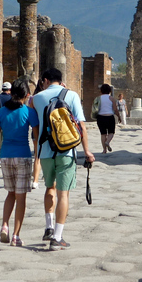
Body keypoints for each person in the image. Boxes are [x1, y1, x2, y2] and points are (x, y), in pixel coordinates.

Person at [32, 68, 95, 250]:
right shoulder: (72, 95)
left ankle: (49, 227)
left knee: (49, 187)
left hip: (44, 151)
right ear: (61, 80)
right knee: (63, 193)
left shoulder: (36, 99)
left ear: (45, 80)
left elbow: (34, 124)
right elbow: (81, 126)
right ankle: (57, 237)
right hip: (66, 151)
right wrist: (87, 151)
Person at [0, 78, 39, 247]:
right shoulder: (29, 112)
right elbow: (36, 138)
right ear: (26, 95)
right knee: (21, 197)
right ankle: (16, 235)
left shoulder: (2, 112)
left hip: (5, 156)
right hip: (23, 156)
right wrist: (38, 157)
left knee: (10, 193)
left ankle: (4, 225)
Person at [94, 84, 119, 154]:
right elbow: (115, 109)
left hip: (100, 117)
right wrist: (119, 116)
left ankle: (104, 150)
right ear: (109, 91)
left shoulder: (98, 98)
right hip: (109, 117)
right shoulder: (112, 98)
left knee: (103, 134)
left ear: (101, 90)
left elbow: (94, 108)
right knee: (111, 132)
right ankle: (107, 141)